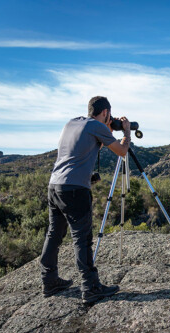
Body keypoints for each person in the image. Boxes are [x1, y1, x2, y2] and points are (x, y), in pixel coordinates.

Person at [40, 96, 131, 303]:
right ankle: (90, 287)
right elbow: (122, 151)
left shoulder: (72, 123)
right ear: (106, 113)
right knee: (82, 238)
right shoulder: (96, 127)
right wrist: (125, 130)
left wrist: (106, 130)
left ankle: (49, 281)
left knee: (54, 233)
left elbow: (84, 149)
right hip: (75, 190)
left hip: (54, 186)